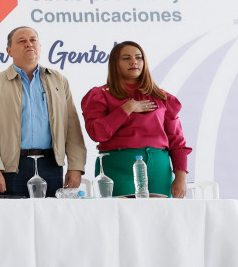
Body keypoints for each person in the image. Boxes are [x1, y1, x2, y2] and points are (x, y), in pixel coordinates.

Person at [0, 26, 86, 198]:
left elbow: (72, 126)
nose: (29, 44)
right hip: (11, 167)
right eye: (22, 41)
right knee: (13, 215)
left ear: (39, 47)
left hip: (51, 165)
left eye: (33, 40)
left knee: (52, 215)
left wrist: (76, 167)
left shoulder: (58, 80)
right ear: (9, 51)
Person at [81, 41, 191, 198]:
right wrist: (127, 108)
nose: (134, 62)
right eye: (126, 58)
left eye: (139, 57)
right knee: (123, 213)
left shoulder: (161, 96)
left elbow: (177, 140)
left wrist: (181, 176)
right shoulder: (100, 95)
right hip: (119, 167)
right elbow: (97, 133)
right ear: (115, 63)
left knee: (161, 213)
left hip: (159, 168)